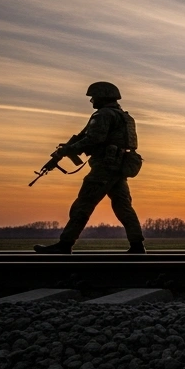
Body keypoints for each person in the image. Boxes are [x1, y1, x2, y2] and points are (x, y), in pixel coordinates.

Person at [34, 82, 145, 253]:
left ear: (103, 97)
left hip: (104, 168)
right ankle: (137, 245)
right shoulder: (123, 116)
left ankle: (65, 244)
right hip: (118, 168)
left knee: (83, 204)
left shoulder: (103, 115)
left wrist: (67, 150)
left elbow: (94, 139)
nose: (92, 100)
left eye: (94, 97)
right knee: (123, 207)